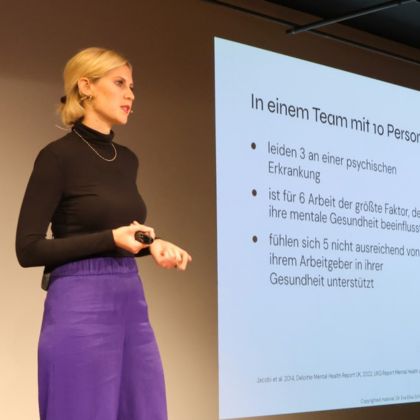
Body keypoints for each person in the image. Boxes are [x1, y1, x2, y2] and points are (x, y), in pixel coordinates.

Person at [15, 47, 191, 420]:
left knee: (144, 410)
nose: (131, 95)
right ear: (86, 87)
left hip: (131, 301)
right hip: (79, 303)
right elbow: (28, 249)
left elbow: (124, 234)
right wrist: (111, 239)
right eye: (120, 83)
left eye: (132, 86)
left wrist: (153, 245)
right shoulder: (57, 157)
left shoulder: (127, 160)